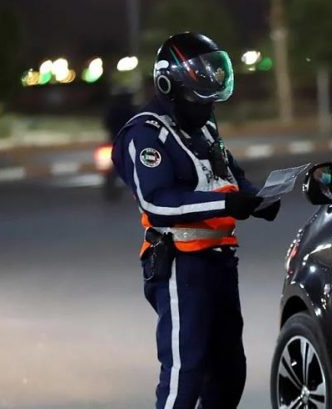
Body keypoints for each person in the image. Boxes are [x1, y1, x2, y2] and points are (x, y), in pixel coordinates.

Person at [111, 32, 280, 409]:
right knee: (184, 374)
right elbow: (158, 202)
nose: (207, 107)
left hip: (219, 261)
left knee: (229, 373)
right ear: (169, 85)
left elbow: (230, 174)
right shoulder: (146, 133)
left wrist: (257, 199)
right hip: (180, 264)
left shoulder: (204, 127)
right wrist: (226, 205)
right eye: (198, 97)